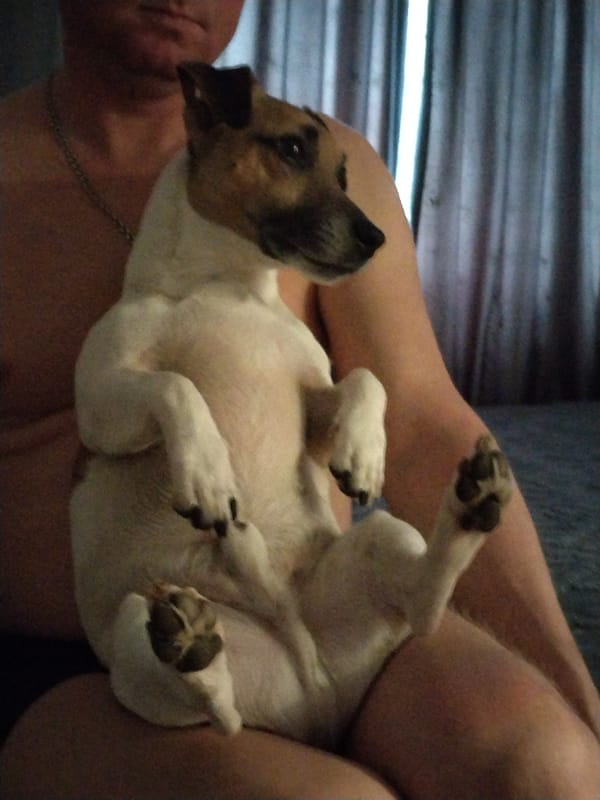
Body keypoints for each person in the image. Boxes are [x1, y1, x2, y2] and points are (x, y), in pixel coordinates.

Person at [0, 2, 598, 797]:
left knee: (549, 767)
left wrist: (578, 691)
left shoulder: (333, 163)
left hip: (325, 601)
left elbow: (423, 428)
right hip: (80, 661)